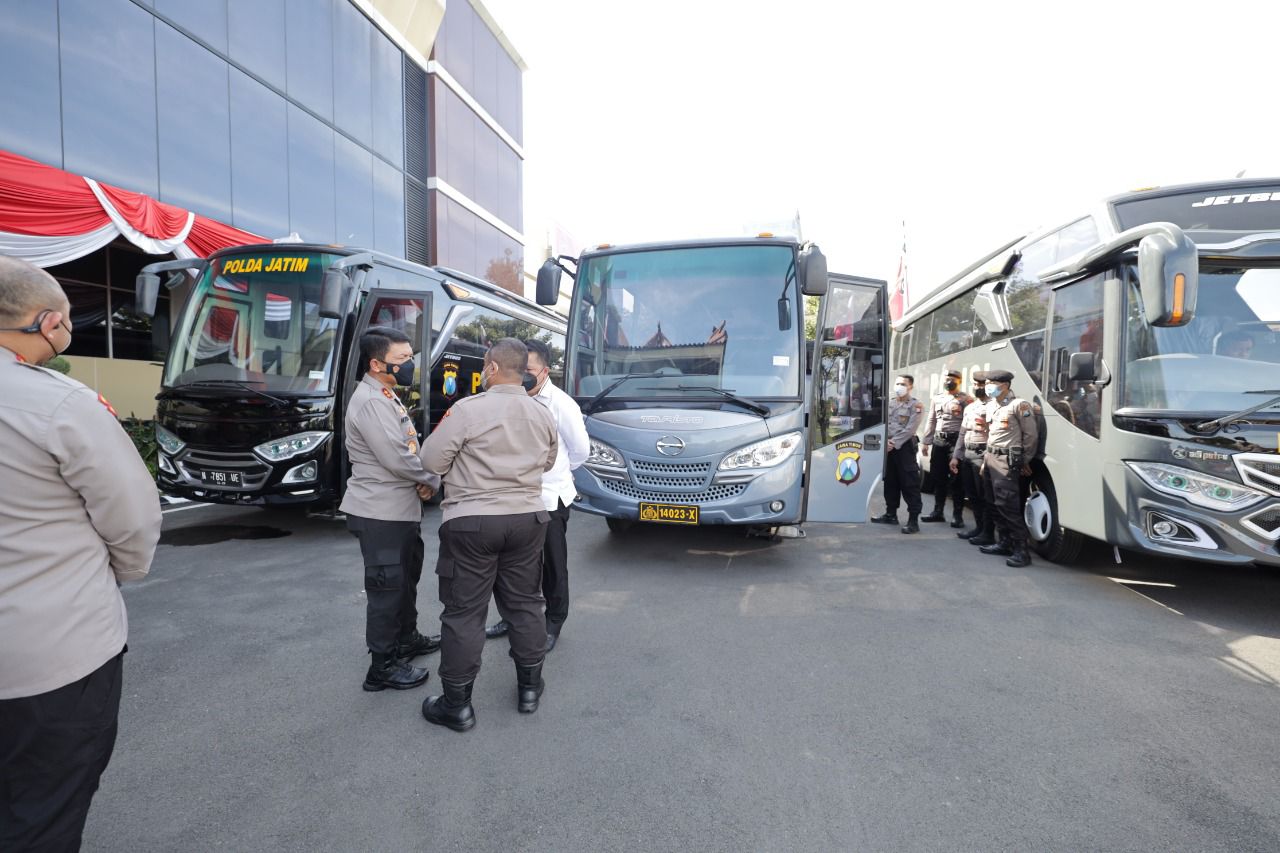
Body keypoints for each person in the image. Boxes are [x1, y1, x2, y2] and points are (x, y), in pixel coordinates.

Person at [0, 256, 162, 851]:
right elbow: (133, 518)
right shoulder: (60, 406)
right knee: (42, 811)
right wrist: (119, 572)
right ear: (47, 323)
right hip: (50, 659)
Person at [419, 338, 558, 732]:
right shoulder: (541, 412)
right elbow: (548, 462)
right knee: (526, 604)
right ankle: (529, 689)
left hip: (472, 521)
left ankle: (457, 705)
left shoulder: (466, 410)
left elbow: (431, 459)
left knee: (465, 612)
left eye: (484, 365)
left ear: (493, 368)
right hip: (528, 519)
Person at [341, 326, 441, 692]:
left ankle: (406, 640)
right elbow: (397, 458)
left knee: (404, 583)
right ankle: (381, 667)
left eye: (410, 358)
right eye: (402, 360)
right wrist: (431, 480)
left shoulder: (385, 394)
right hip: (379, 512)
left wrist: (422, 483)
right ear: (376, 363)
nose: (410, 365)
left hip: (399, 510)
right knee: (386, 589)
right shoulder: (370, 402)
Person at [485, 339, 589, 652]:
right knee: (514, 566)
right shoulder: (509, 399)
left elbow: (581, 450)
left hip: (548, 499)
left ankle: (554, 620)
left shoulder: (561, 404)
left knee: (552, 565)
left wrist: (553, 473)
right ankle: (514, 616)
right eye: (518, 371)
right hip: (512, 498)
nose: (522, 377)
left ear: (544, 371)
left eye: (527, 370)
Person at [978, 369, 1040, 568]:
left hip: (1006, 460)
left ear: (1004, 385)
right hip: (990, 458)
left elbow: (1031, 436)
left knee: (1008, 505)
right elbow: (991, 435)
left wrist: (1023, 461)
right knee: (993, 502)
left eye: (990, 383)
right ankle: (1004, 542)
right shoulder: (992, 406)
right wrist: (985, 461)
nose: (987, 386)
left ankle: (1021, 550)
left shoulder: (1019, 405)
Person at [870, 374, 925, 534]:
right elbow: (882, 423)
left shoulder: (916, 405)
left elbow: (910, 429)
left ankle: (913, 521)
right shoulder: (890, 403)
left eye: (903, 384)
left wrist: (893, 443)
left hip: (904, 448)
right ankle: (890, 514)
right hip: (888, 447)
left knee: (909, 483)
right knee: (890, 481)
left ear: (910, 387)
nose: (899, 386)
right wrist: (885, 442)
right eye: (897, 383)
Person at [920, 369, 972, 527]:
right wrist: (926, 441)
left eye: (953, 379)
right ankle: (938, 511)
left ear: (960, 381)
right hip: (939, 442)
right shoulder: (937, 398)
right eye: (947, 378)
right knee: (938, 477)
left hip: (956, 442)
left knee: (957, 480)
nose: (949, 381)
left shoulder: (966, 399)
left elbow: (968, 423)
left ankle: (957, 516)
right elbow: (932, 420)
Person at [950, 371, 992, 543]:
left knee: (985, 496)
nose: (977, 387)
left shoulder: (993, 407)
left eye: (981, 385)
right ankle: (979, 527)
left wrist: (987, 460)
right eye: (975, 384)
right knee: (972, 495)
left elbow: (994, 436)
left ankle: (988, 533)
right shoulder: (970, 407)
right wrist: (956, 456)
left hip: (982, 455)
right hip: (967, 454)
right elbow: (962, 433)